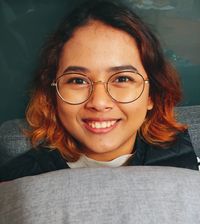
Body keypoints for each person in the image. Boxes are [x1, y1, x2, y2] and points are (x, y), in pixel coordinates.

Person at [0, 0, 198, 181]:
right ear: (53, 95)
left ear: (152, 95)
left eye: (122, 78)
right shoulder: (16, 183)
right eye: (78, 80)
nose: (99, 102)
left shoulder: (189, 165)